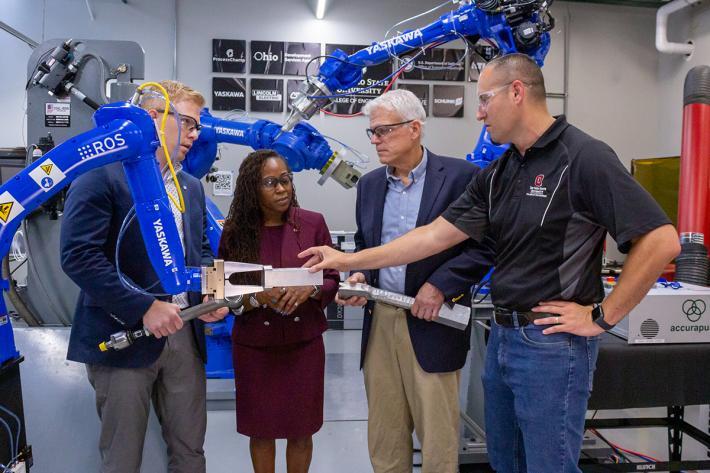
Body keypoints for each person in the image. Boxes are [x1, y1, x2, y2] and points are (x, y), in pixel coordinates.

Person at [299, 54, 680, 473]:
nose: (478, 113)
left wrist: (602, 317)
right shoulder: (501, 171)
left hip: (551, 342)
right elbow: (432, 237)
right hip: (502, 335)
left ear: (517, 92)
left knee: (548, 465)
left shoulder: (583, 156)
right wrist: (349, 259)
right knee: (505, 461)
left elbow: (661, 240)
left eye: (484, 100)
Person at [60, 80, 228, 473]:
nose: (194, 135)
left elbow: (199, 250)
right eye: (187, 123)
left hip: (184, 335)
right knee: (123, 458)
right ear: (152, 118)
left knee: (190, 451)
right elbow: (78, 256)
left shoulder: (189, 185)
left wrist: (206, 297)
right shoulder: (102, 174)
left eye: (197, 127)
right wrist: (144, 307)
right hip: (124, 338)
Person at [335, 89, 493, 473]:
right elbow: (365, 243)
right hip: (381, 321)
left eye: (383, 131)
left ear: (414, 129)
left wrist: (440, 285)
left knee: (438, 440)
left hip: (432, 321)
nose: (375, 141)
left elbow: (484, 247)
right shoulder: (370, 185)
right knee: (385, 438)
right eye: (371, 133)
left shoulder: (462, 178)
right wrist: (361, 274)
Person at [217, 149, 339, 473]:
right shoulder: (234, 232)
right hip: (255, 346)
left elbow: (332, 280)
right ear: (251, 189)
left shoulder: (312, 224)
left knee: (302, 430)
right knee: (261, 430)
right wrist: (259, 297)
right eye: (271, 182)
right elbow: (225, 291)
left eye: (285, 179)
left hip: (304, 344)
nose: (282, 188)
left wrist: (310, 289)